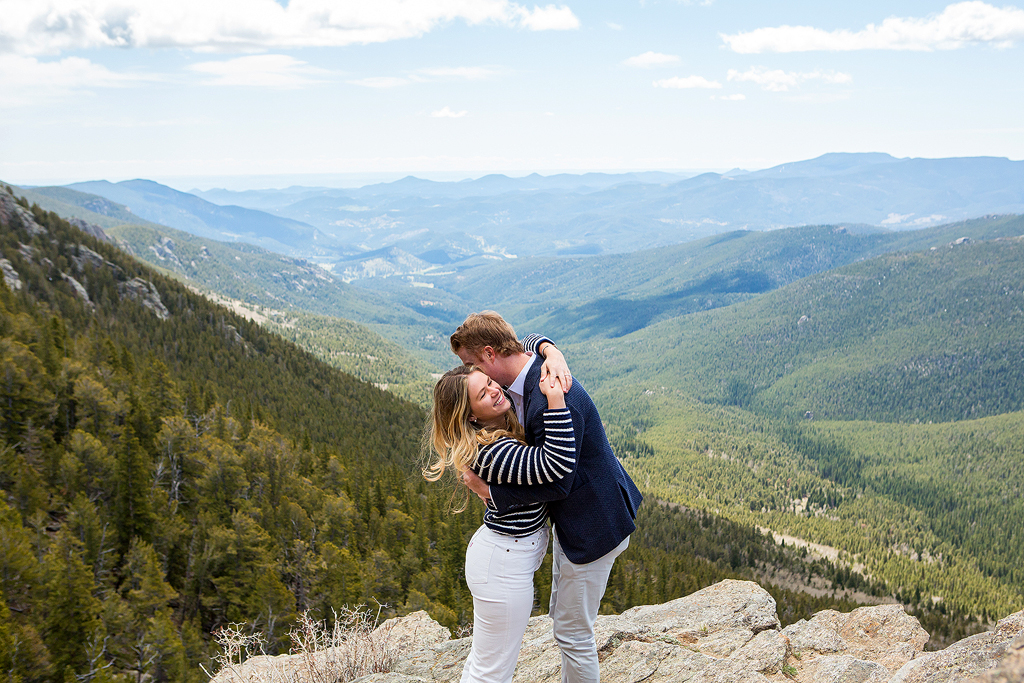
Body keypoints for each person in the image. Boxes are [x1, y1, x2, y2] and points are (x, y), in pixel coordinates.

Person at [451, 312, 643, 683]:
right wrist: (549, 347)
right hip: (577, 521)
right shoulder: (533, 369)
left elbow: (558, 483)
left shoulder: (551, 398)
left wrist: (491, 492)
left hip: (593, 524)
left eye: (470, 363)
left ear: (490, 354)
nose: (468, 372)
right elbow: (525, 341)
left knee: (574, 634)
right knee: (565, 620)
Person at [424, 363, 576, 683]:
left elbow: (524, 346)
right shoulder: (496, 450)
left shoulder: (494, 438)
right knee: (492, 673)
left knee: (486, 664)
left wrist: (548, 351)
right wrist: (556, 400)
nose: (495, 389)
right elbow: (557, 467)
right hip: (503, 565)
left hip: (502, 558)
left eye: (491, 381)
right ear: (471, 416)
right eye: (483, 393)